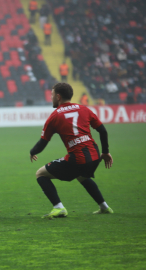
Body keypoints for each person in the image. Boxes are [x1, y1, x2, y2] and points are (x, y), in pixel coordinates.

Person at [29, 83, 114, 219]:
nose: (51, 98)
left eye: (52, 95)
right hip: (94, 155)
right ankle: (104, 207)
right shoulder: (84, 109)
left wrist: (32, 152)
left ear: (58, 96)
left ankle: (59, 208)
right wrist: (105, 152)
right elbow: (102, 130)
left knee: (40, 174)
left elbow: (42, 143)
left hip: (78, 158)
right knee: (81, 175)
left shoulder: (54, 116)